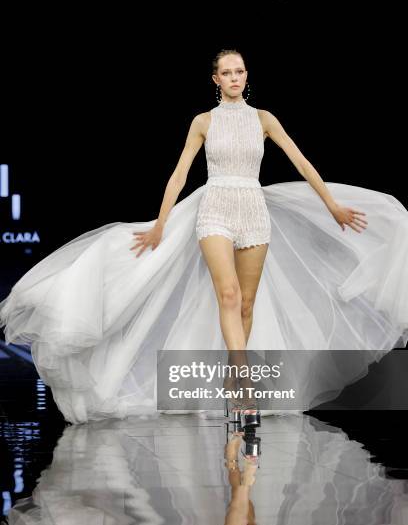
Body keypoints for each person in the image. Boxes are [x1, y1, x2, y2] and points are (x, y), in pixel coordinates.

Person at [1, 48, 407, 424]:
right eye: (227, 72)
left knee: (246, 303)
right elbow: (180, 173)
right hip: (214, 208)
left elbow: (301, 161)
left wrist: (332, 206)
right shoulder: (204, 121)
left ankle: (234, 378)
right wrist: (160, 223)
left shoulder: (264, 119)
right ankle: (244, 380)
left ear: (246, 76)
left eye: (240, 71)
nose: (234, 77)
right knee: (228, 295)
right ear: (215, 79)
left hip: (254, 210)